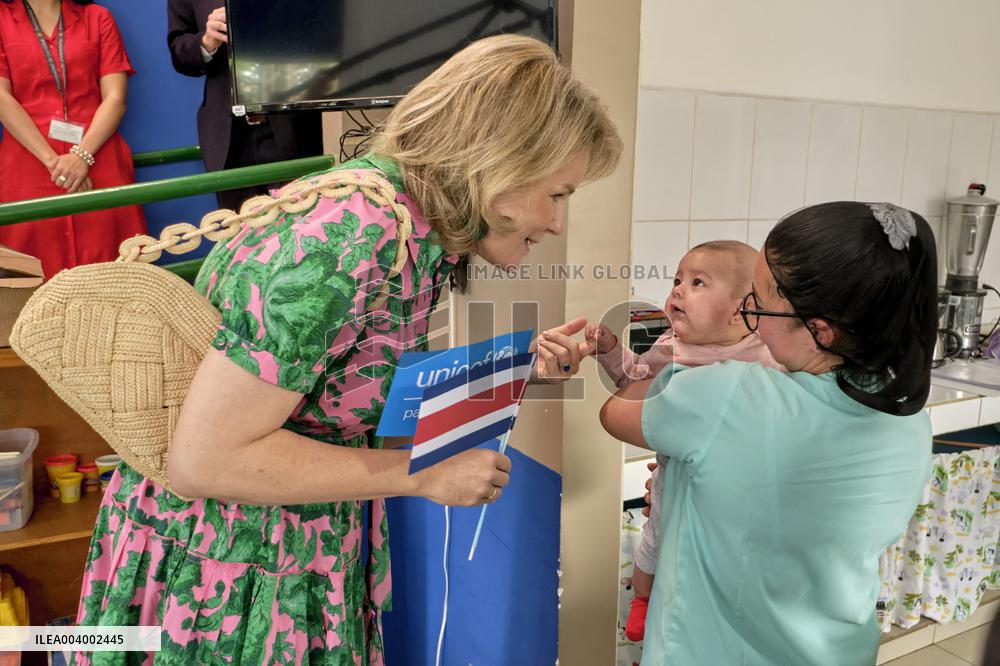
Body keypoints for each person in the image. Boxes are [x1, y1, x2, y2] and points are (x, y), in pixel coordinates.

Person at [71, 35, 619, 664]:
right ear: (498, 164)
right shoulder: (351, 238)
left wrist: (518, 368)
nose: (557, 223)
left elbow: (342, 384)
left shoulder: (417, 231)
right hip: (226, 568)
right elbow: (206, 458)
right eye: (558, 194)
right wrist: (422, 477)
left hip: (286, 549)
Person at [600, 201, 937, 665]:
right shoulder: (909, 417)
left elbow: (616, 410)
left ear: (819, 330)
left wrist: (678, 355)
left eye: (757, 306)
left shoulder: (726, 394)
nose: (749, 317)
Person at [587, 240, 782, 642]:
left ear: (742, 309)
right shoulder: (668, 348)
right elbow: (634, 380)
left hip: (730, 488)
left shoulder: (761, 355)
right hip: (673, 470)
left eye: (697, 283)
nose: (677, 290)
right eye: (677, 280)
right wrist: (609, 351)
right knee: (654, 536)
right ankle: (643, 599)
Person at [0, 0, 146, 278]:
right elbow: (2, 98)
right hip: (28, 170)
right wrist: (55, 162)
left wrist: (81, 156)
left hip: (99, 163)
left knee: (115, 276)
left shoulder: (98, 17)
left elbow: (115, 98)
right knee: (31, 284)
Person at [166, 0, 323, 211]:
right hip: (228, 140)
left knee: (306, 233)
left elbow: (328, 32)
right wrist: (206, 41)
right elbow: (180, 54)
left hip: (296, 129)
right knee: (242, 239)